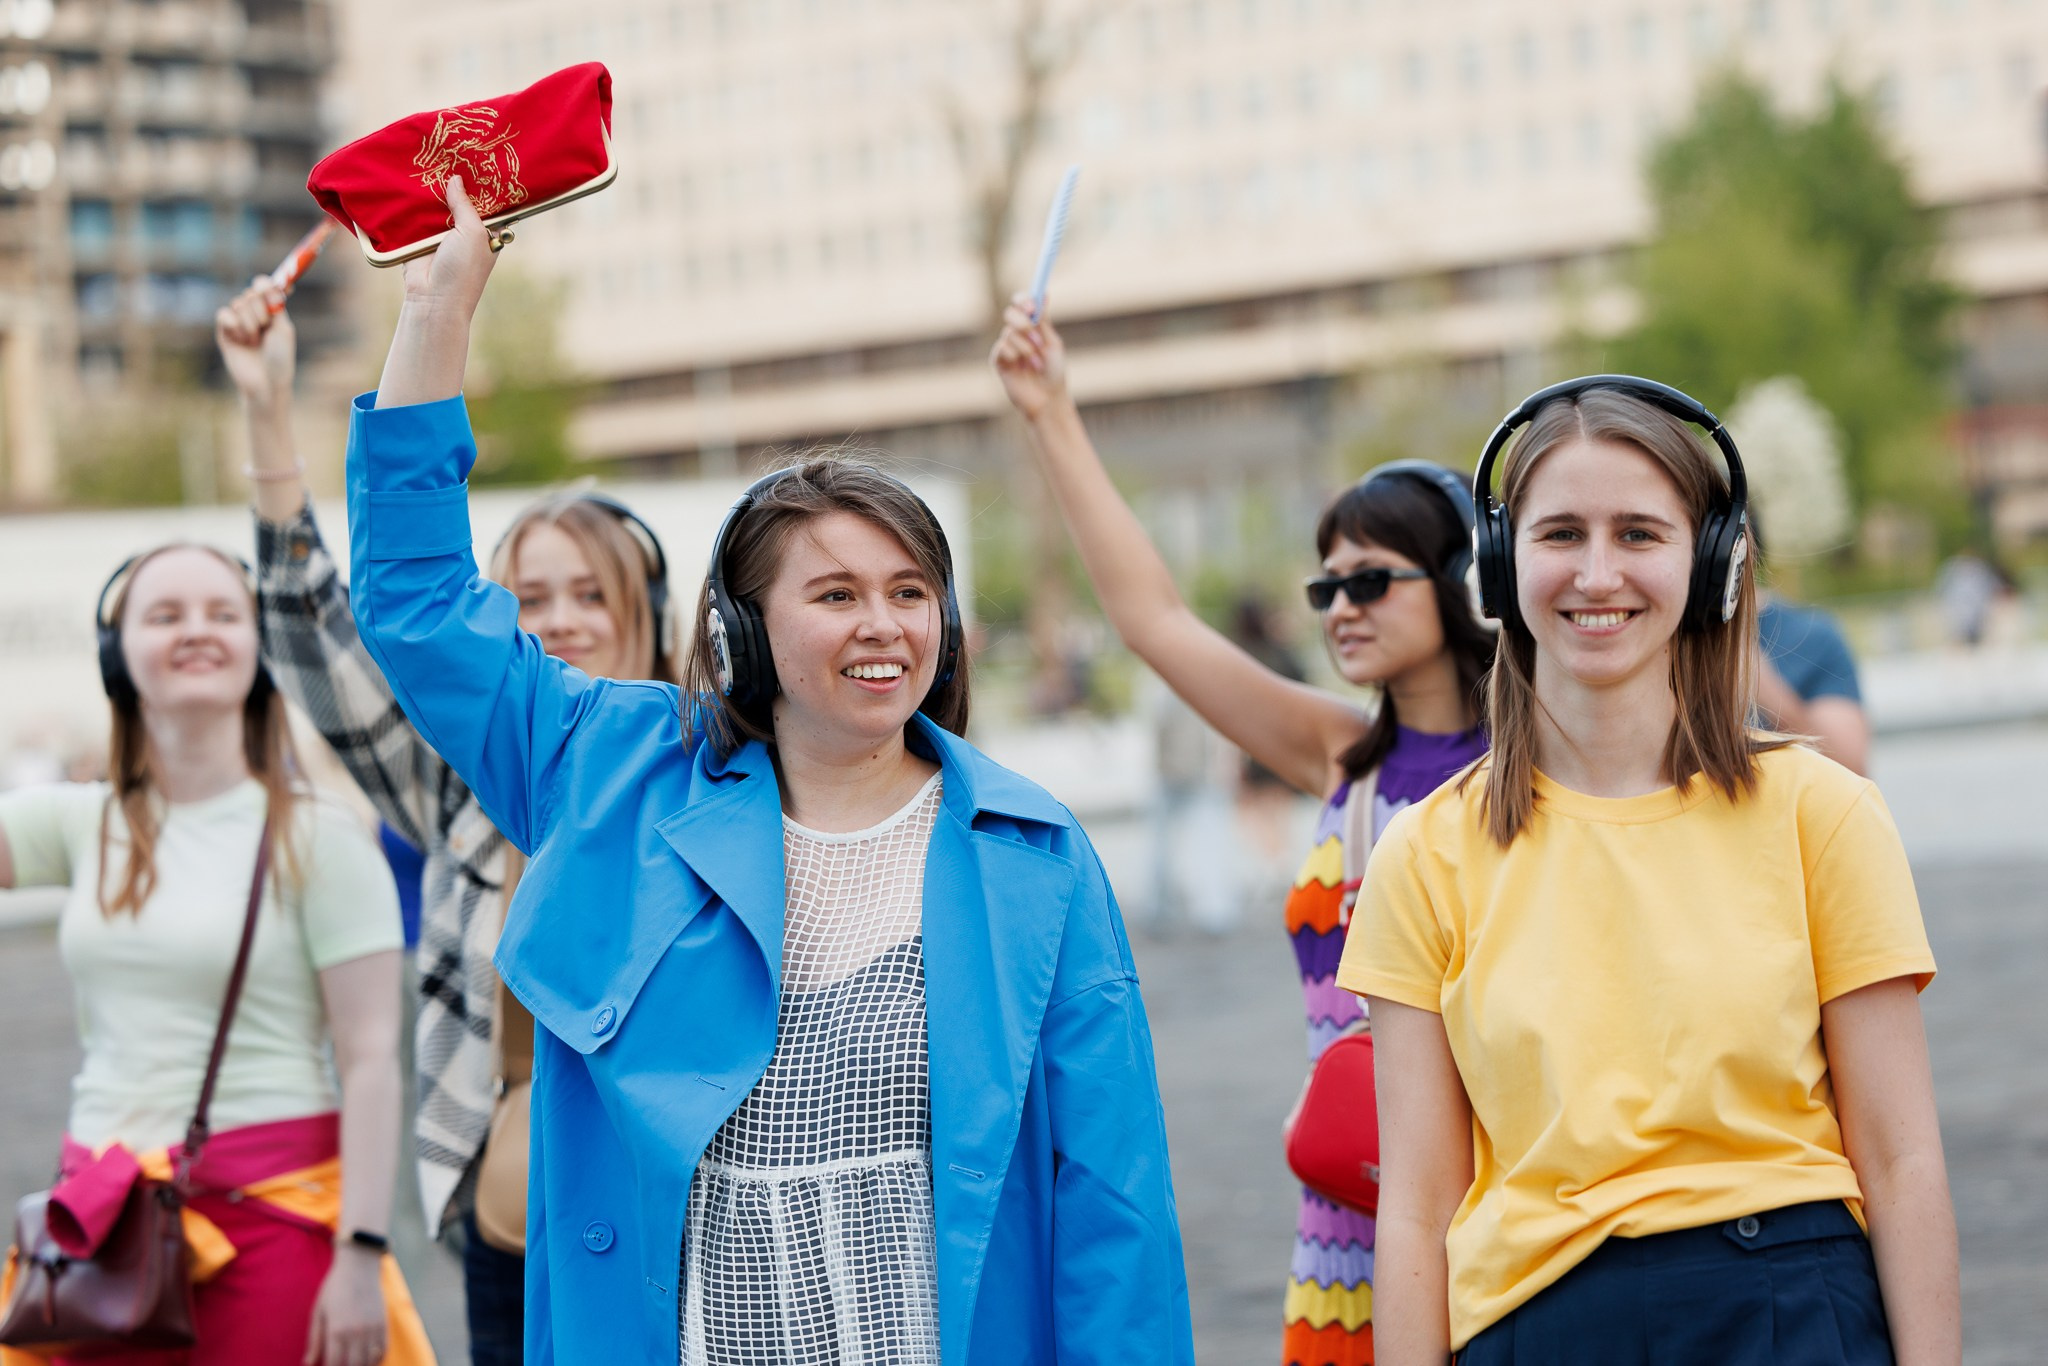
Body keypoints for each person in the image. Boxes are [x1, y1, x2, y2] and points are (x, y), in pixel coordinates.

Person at [343, 177, 1191, 1365]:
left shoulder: (1033, 855)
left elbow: (1113, 1206)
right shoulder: (611, 772)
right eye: (835, 595)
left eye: (908, 594)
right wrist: (436, 320)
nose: (882, 626)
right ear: (739, 631)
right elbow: (418, 607)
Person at [1346, 378, 1959, 1366]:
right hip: (1536, 1322)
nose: (1596, 573)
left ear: (1710, 562)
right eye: (1559, 535)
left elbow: (1899, 1158)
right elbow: (1415, 1208)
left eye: (1638, 533)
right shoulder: (1420, 854)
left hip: (1789, 1310)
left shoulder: (1822, 813)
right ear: (1499, 567)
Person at [993, 298, 1493, 1366]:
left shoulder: (1536, 774)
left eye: (1370, 579)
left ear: (1462, 584)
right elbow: (1154, 622)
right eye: (1326, 583)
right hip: (1349, 1205)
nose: (1339, 605)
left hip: (1501, 1196)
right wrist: (1052, 414)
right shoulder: (1339, 755)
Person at [216, 278, 682, 1365]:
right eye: (526, 596)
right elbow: (321, 648)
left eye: (590, 593)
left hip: (681, 1207)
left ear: (648, 618)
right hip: (508, 1210)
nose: (558, 618)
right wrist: (266, 414)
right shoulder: (458, 782)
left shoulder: (710, 775)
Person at [0, 543, 431, 1366]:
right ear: (115, 655)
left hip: (273, 1217)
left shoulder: (323, 837)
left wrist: (360, 1255)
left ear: (259, 650)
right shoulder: (77, 822)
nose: (195, 630)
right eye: (164, 615)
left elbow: (373, 1058)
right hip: (97, 1229)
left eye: (223, 613)